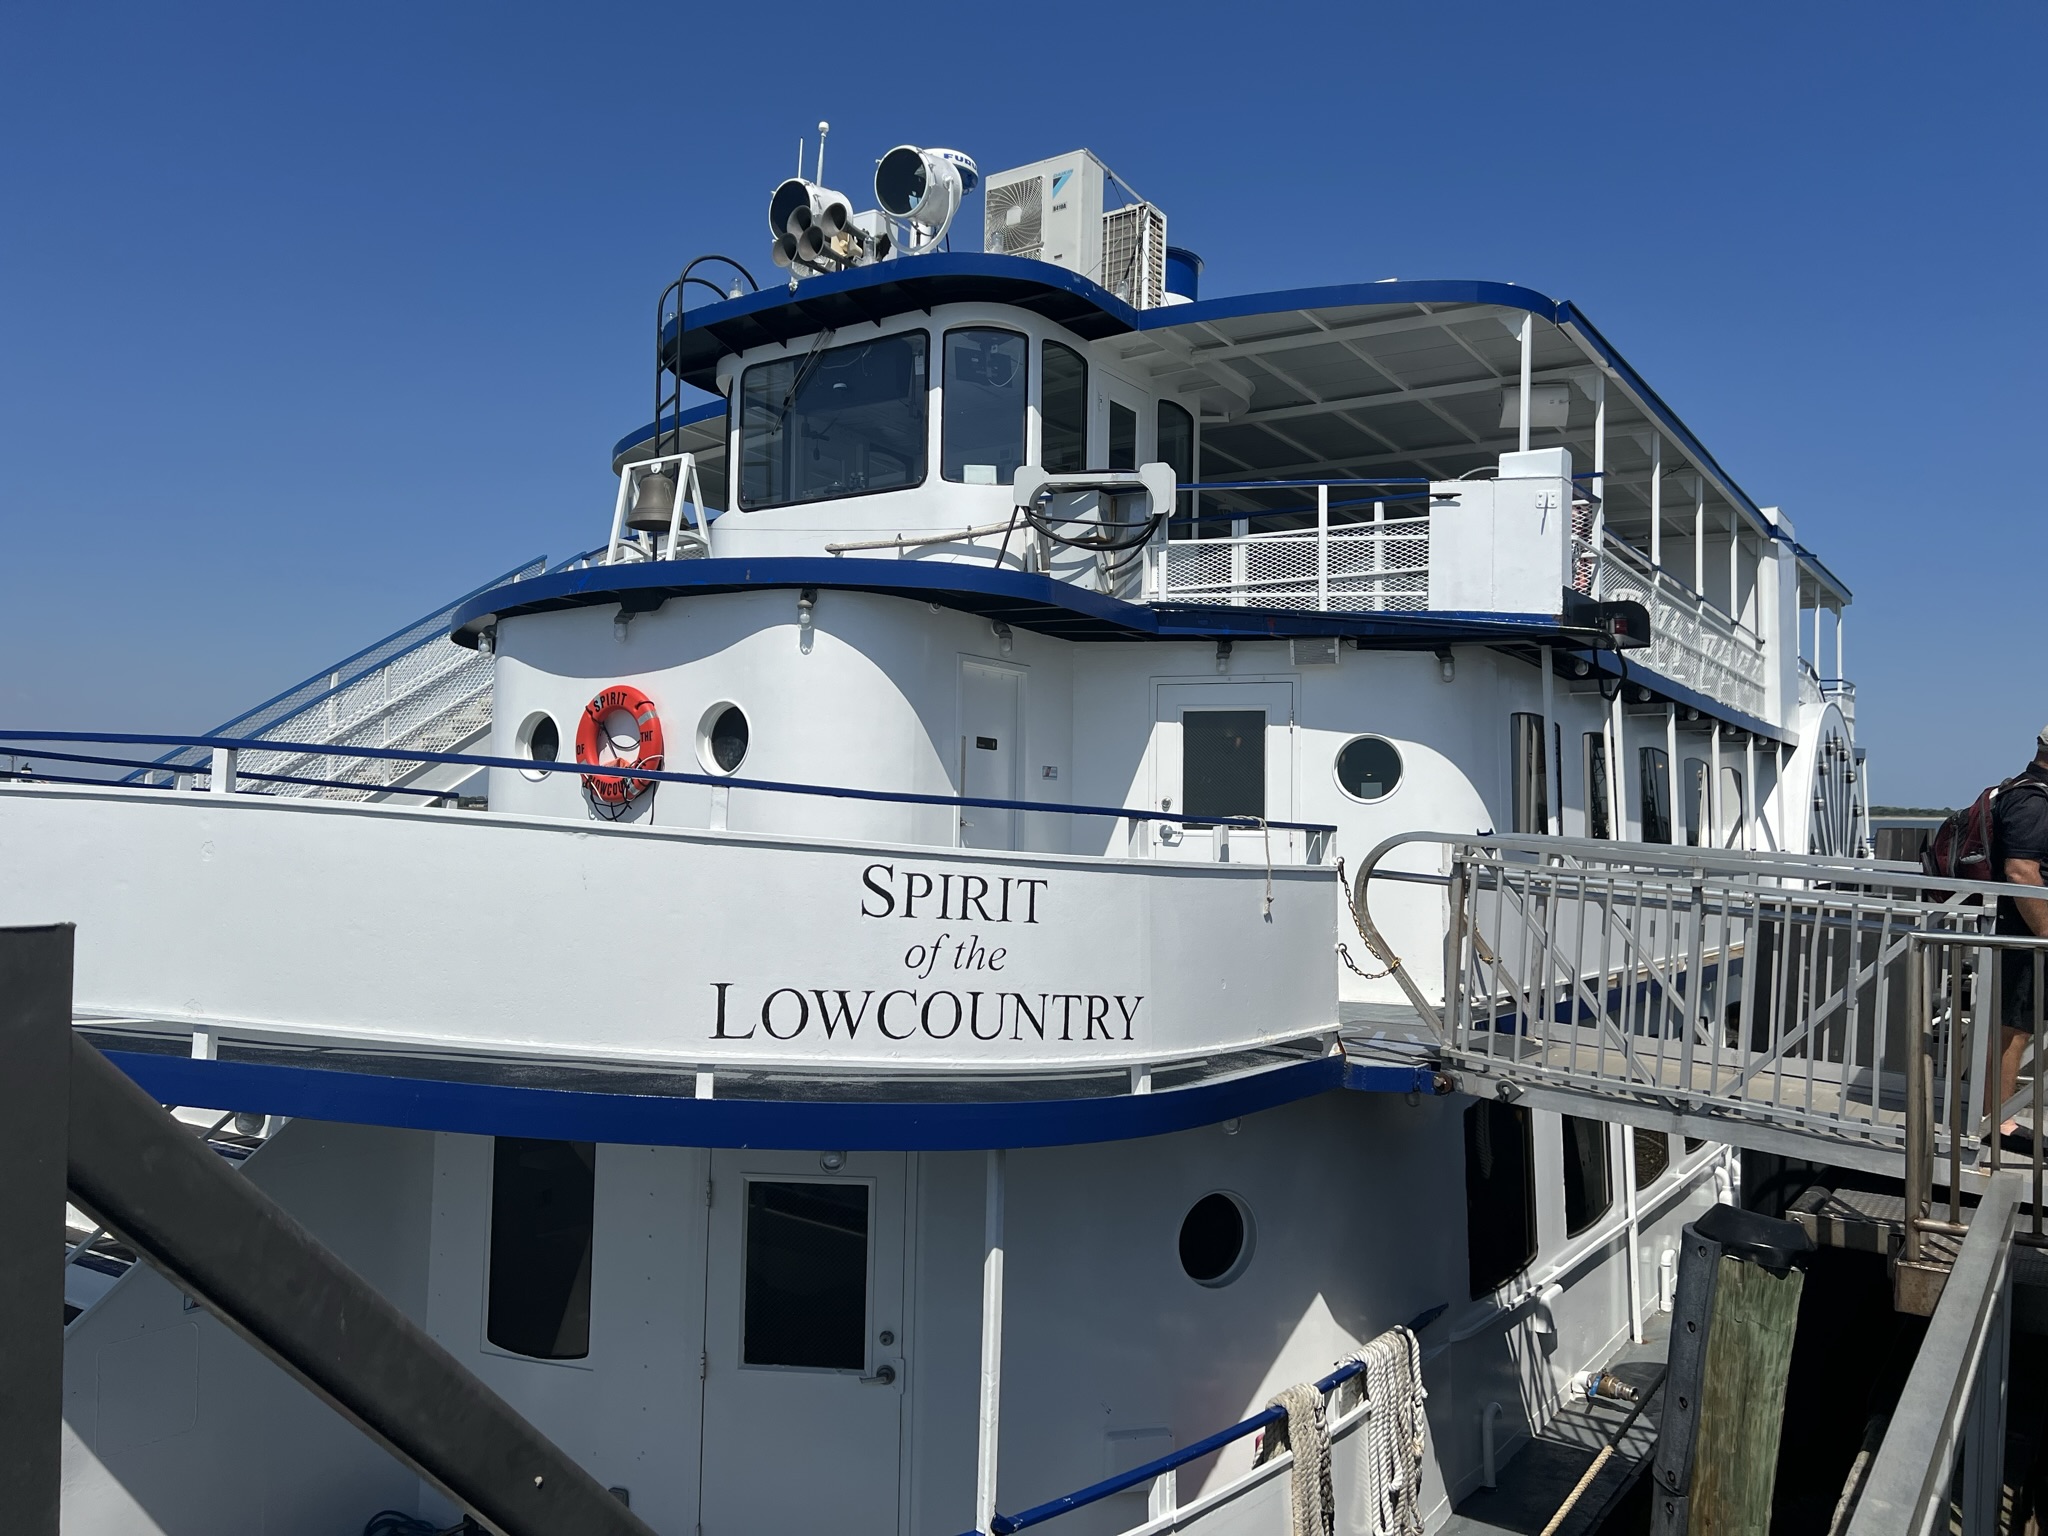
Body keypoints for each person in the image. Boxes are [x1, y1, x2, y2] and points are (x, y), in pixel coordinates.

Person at [1991, 727, 2048, 1153]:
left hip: (2026, 929)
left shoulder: (2024, 791)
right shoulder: (2032, 800)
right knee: (2016, 1026)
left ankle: (1998, 1114)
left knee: (2018, 1025)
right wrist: (2046, 932)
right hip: (2026, 931)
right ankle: (1998, 1121)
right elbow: (2020, 871)